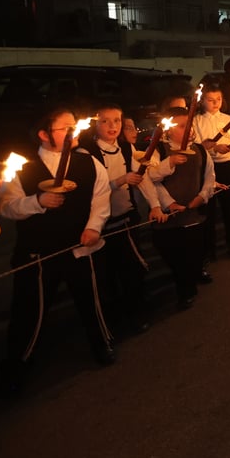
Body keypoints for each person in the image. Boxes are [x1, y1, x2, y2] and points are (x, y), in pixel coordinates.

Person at [0, 108, 115, 397]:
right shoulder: (21, 167)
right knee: (29, 312)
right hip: (38, 254)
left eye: (74, 127)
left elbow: (100, 199)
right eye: (65, 128)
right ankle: (18, 365)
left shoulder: (88, 163)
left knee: (91, 300)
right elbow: (5, 206)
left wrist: (93, 228)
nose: (73, 132)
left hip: (80, 246)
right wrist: (37, 202)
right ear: (44, 134)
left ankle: (101, 343)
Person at [80, 104, 151, 336]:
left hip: (125, 217)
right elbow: (91, 191)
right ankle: (113, 318)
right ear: (95, 124)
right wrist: (119, 181)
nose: (113, 126)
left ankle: (136, 312)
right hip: (100, 225)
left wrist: (156, 204)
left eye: (117, 121)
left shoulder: (125, 147)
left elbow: (141, 178)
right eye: (105, 122)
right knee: (106, 275)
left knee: (132, 268)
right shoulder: (86, 153)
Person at [143, 107, 216, 310]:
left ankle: (187, 290)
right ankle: (183, 284)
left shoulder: (199, 149)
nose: (187, 129)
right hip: (168, 216)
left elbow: (210, 176)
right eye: (182, 126)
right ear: (169, 129)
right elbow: (151, 177)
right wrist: (171, 162)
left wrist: (202, 196)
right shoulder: (159, 150)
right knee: (173, 254)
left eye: (189, 125)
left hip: (193, 214)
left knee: (193, 255)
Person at [191, 82, 230, 260]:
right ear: (202, 101)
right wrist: (215, 148)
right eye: (210, 100)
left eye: (218, 99)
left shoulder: (228, 119)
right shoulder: (196, 121)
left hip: (227, 167)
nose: (215, 103)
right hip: (208, 168)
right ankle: (210, 249)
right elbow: (197, 147)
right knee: (208, 210)